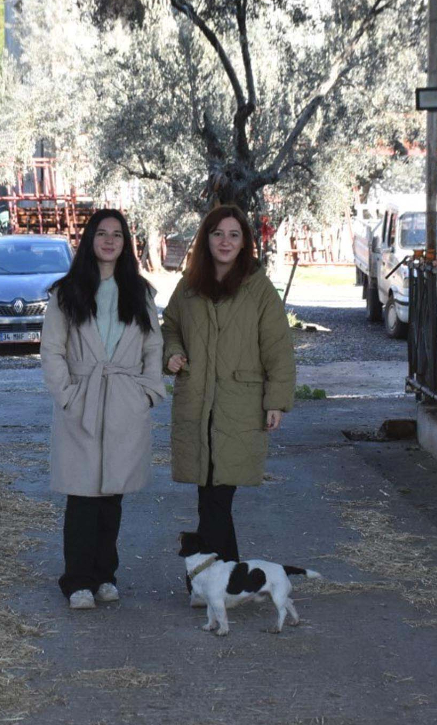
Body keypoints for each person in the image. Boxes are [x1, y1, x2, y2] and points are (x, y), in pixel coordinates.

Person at [42, 209, 166, 610]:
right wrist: (67, 395)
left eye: (117, 234)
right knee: (82, 497)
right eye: (102, 233)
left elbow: (153, 347)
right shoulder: (66, 292)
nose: (110, 240)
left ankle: (105, 576)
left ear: (126, 243)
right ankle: (77, 581)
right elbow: (52, 351)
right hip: (83, 400)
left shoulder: (140, 292)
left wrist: (147, 393)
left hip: (125, 402)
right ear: (90, 239)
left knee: (112, 495)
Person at [161, 204, 296, 565]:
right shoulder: (188, 287)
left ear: (244, 242)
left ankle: (218, 580)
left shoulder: (259, 289)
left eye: (234, 235)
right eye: (218, 233)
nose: (225, 241)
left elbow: (278, 348)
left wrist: (275, 401)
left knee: (217, 499)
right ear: (206, 239)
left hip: (239, 407)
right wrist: (172, 353)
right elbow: (169, 327)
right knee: (209, 498)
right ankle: (220, 580)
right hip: (197, 405)